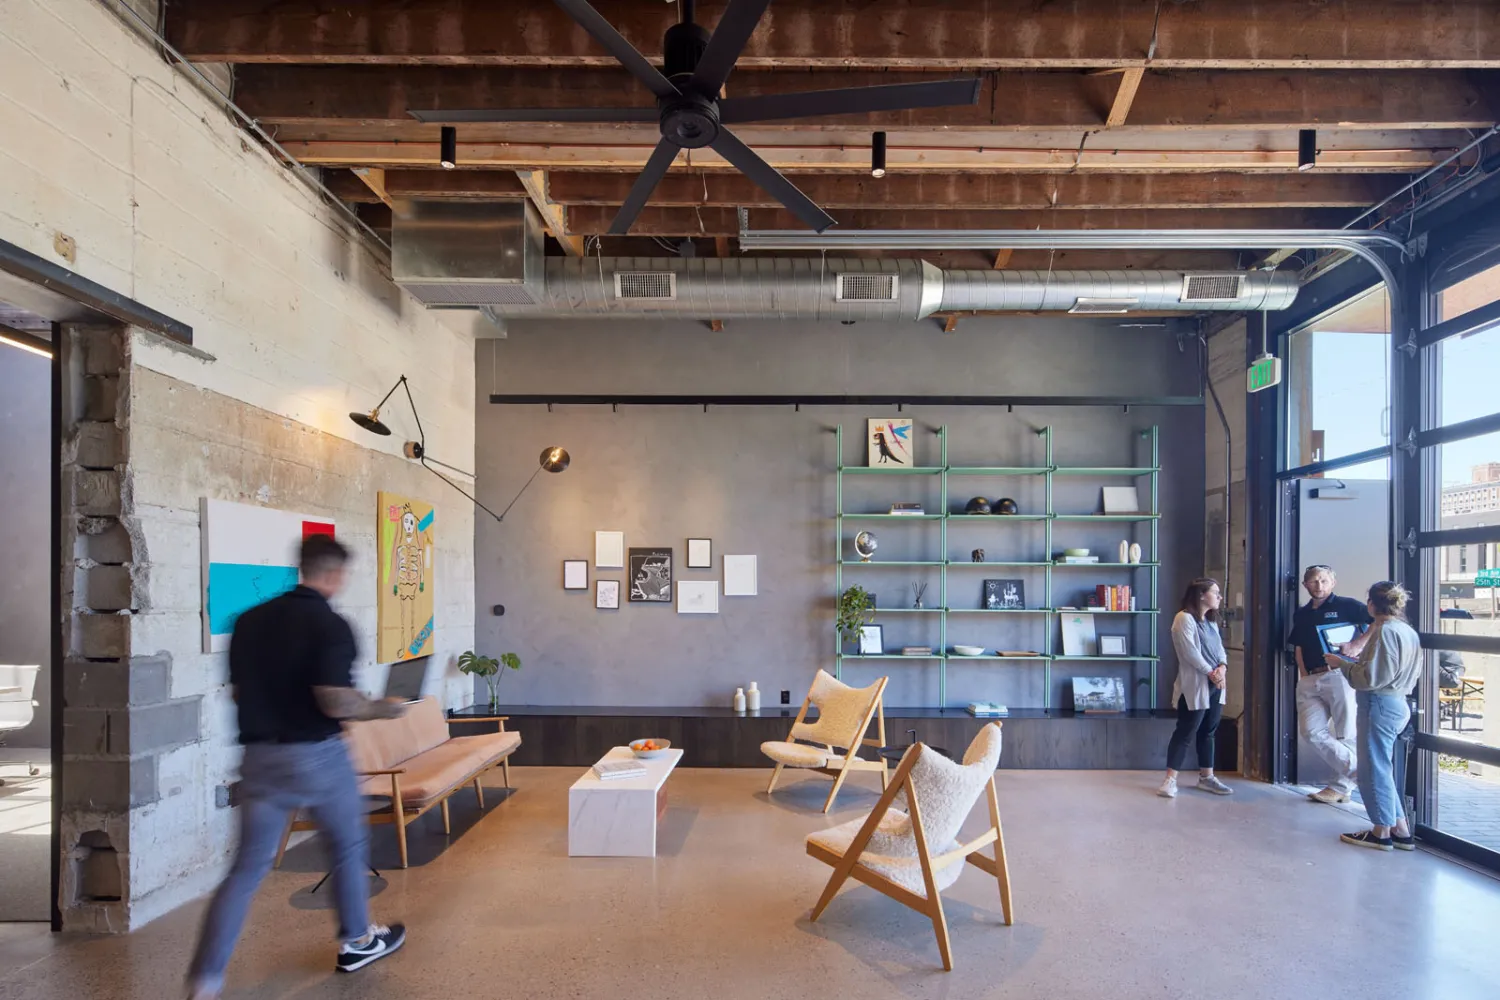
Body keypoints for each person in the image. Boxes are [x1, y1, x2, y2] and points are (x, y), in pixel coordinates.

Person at [187, 535, 408, 1000]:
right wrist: (384, 708)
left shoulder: (247, 622)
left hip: (261, 758)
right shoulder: (331, 625)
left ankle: (205, 980)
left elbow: (239, 694)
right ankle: (357, 940)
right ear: (335, 574)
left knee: (246, 870)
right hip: (318, 755)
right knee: (347, 847)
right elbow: (334, 700)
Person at [1326, 581, 1423, 851]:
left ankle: (1381, 831)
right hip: (1397, 702)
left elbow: (1370, 678)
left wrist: (1343, 665)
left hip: (1378, 704)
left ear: (1372, 605)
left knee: (1373, 770)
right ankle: (1400, 828)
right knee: (1383, 767)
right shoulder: (1408, 632)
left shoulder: (1384, 632)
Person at [1288, 565, 1373, 805]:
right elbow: (1299, 645)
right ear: (1305, 585)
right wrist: (1303, 674)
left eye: (1324, 581)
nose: (1319, 585)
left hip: (1339, 675)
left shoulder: (1348, 605)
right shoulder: (1302, 613)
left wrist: (1356, 645)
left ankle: (1340, 786)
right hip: (1310, 678)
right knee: (1311, 732)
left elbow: (1378, 622)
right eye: (1314, 581)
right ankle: (1360, 773)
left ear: (1333, 582)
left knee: (1346, 732)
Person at [1158, 578, 1233, 798]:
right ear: (1201, 595)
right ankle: (1170, 780)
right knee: (1186, 731)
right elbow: (1189, 652)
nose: (1219, 597)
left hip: (1216, 684)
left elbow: (1220, 651)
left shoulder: (1211, 622)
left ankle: (1207, 777)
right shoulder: (1184, 619)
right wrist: (1211, 672)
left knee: (1208, 731)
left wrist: (1222, 669)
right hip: (1195, 685)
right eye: (1215, 592)